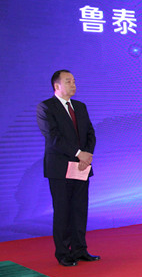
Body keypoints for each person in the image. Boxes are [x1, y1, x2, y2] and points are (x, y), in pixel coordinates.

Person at [36, 70, 99, 267]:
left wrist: (86, 155)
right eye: (68, 81)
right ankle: (63, 253)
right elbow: (53, 138)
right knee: (63, 211)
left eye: (74, 81)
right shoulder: (46, 107)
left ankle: (80, 250)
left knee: (80, 209)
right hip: (60, 168)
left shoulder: (80, 107)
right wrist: (78, 153)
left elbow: (90, 133)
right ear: (57, 86)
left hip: (81, 167)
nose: (73, 84)